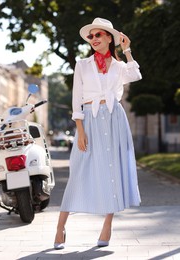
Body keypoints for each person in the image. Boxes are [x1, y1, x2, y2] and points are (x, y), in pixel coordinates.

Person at [53, 17, 142, 249]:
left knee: (113, 170)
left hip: (115, 120)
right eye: (90, 36)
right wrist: (80, 131)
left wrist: (127, 50)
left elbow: (135, 75)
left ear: (109, 38)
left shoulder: (119, 66)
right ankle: (60, 226)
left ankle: (107, 225)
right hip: (90, 120)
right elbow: (76, 101)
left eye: (98, 35)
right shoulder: (82, 65)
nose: (93, 39)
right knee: (79, 170)